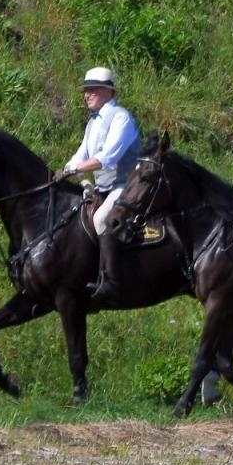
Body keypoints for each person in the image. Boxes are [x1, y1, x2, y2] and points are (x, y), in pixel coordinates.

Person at [52, 66, 141, 301]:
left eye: (92, 89)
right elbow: (81, 153)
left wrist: (75, 170)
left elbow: (108, 157)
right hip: (103, 187)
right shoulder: (93, 123)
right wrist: (64, 170)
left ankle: (111, 281)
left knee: (102, 219)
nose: (86, 94)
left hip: (126, 185)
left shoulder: (121, 117)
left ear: (108, 91)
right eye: (86, 90)